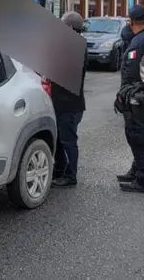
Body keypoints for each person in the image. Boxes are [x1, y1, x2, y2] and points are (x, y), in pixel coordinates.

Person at [117, 5, 144, 193]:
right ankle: (137, 170)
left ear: (132, 22)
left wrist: (125, 96)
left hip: (139, 99)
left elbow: (132, 74)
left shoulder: (140, 41)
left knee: (138, 136)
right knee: (143, 137)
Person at [50, 11, 89, 188]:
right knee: (61, 140)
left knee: (68, 141)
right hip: (66, 103)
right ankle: (60, 170)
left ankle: (70, 176)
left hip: (69, 105)